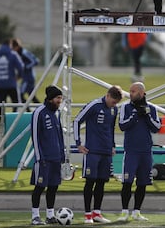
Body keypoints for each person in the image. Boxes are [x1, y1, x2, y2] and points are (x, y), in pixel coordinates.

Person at [73, 86, 123, 224]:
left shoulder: (114, 109)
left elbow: (111, 128)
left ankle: (97, 213)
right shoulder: (94, 105)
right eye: (113, 101)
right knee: (90, 181)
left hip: (106, 151)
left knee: (102, 182)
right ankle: (87, 214)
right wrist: (78, 143)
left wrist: (112, 145)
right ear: (107, 96)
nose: (114, 105)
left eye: (116, 103)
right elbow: (77, 120)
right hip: (92, 151)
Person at [117, 82, 161, 221]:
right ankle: (124, 211)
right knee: (127, 182)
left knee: (143, 183)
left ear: (142, 93)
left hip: (146, 151)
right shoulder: (125, 107)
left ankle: (137, 211)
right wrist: (135, 115)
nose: (130, 94)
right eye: (130, 91)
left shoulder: (151, 108)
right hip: (131, 151)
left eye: (133, 91)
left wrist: (146, 116)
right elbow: (122, 125)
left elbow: (157, 127)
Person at [30, 85, 65, 225]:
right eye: (58, 98)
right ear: (50, 98)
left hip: (56, 159)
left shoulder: (55, 114)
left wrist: (62, 155)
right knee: (39, 187)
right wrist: (39, 157)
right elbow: (35, 136)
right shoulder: (39, 112)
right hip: (43, 159)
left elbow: (59, 137)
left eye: (61, 98)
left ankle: (50, 215)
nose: (60, 101)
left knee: (53, 187)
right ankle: (35, 216)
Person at [0, 39, 24, 114]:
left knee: (1, 103)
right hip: (11, 83)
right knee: (15, 102)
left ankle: (1, 121)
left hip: (1, 84)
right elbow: (21, 67)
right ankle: (14, 119)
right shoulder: (13, 54)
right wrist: (19, 76)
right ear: (9, 45)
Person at [11, 38, 40, 112]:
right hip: (26, 78)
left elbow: (35, 61)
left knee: (20, 95)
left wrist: (26, 67)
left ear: (16, 47)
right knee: (32, 97)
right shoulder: (19, 53)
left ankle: (28, 111)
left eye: (13, 48)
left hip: (28, 78)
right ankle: (41, 109)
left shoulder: (23, 53)